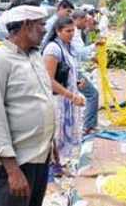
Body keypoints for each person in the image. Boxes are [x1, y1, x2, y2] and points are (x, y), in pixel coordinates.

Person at [0, 5, 54, 206]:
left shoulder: (34, 56)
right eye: (41, 24)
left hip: (41, 156)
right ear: (26, 25)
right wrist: (12, 171)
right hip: (18, 162)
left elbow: (42, 99)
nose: (44, 29)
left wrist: (52, 140)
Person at [43, 17, 86, 172]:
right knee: (55, 133)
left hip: (65, 97)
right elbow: (48, 80)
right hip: (56, 98)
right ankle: (54, 164)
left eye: (73, 30)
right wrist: (72, 96)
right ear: (57, 31)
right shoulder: (53, 49)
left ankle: (58, 162)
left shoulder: (67, 47)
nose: (71, 34)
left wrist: (76, 83)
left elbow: (67, 72)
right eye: (68, 31)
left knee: (60, 132)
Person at [71, 10, 101, 135]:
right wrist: (95, 45)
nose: (86, 24)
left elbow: (79, 53)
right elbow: (79, 52)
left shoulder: (77, 32)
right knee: (92, 94)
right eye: (85, 21)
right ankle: (88, 126)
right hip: (72, 69)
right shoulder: (73, 32)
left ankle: (88, 125)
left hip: (74, 68)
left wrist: (91, 58)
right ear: (78, 19)